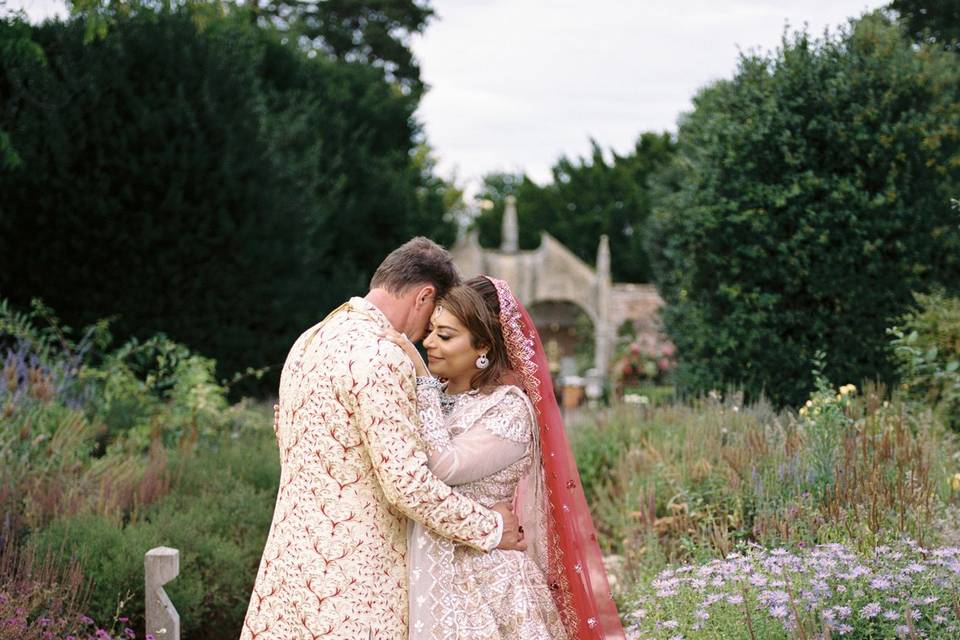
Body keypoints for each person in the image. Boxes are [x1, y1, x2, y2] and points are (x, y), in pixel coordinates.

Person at [240, 239, 526, 640]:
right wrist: (492, 527)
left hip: (287, 574)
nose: (427, 339)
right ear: (425, 296)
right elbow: (407, 485)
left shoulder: (308, 341)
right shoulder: (383, 356)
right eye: (433, 323)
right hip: (356, 586)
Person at [381, 275, 626, 640]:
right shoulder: (430, 396)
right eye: (430, 330)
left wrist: (421, 381)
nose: (428, 343)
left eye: (445, 336)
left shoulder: (508, 409)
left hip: (484, 579)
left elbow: (443, 467)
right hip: (419, 568)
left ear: (483, 345)